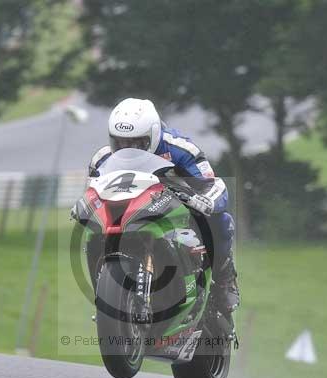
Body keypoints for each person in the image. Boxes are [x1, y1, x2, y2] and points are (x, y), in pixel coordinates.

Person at [88, 98, 240, 314]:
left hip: (176, 209)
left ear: (154, 134)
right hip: (129, 213)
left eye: (137, 142)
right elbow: (92, 193)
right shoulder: (101, 159)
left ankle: (225, 278)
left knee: (220, 220)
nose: (128, 148)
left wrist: (206, 200)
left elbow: (212, 183)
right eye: (120, 142)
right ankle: (104, 295)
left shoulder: (181, 149)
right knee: (93, 235)